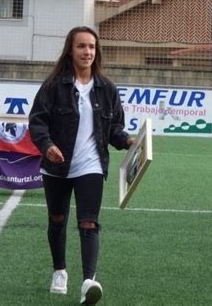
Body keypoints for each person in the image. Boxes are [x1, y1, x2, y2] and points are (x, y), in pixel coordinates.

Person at [28, 26, 134, 304]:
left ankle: (89, 281)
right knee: (57, 220)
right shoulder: (53, 86)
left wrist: (127, 141)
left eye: (92, 47)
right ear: (70, 50)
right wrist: (48, 146)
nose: (87, 51)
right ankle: (60, 271)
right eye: (81, 46)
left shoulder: (107, 88)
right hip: (57, 167)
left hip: (92, 165)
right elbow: (37, 121)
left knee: (89, 223)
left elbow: (114, 128)